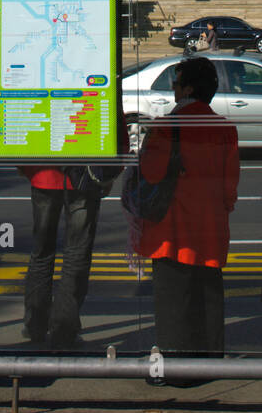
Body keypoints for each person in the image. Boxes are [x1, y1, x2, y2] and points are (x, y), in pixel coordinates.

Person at [135, 55, 239, 381]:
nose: (174, 89)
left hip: (172, 230)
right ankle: (209, 362)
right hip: (210, 227)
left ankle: (177, 369)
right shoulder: (224, 128)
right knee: (208, 297)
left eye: (176, 83)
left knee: (173, 300)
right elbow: (229, 186)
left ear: (187, 88)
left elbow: (150, 174)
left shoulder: (165, 127)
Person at [20, 110, 128, 348]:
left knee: (42, 251)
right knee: (76, 254)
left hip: (43, 173)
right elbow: (116, 126)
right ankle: (64, 330)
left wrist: (26, 167)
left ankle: (35, 324)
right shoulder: (96, 82)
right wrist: (108, 174)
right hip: (83, 178)